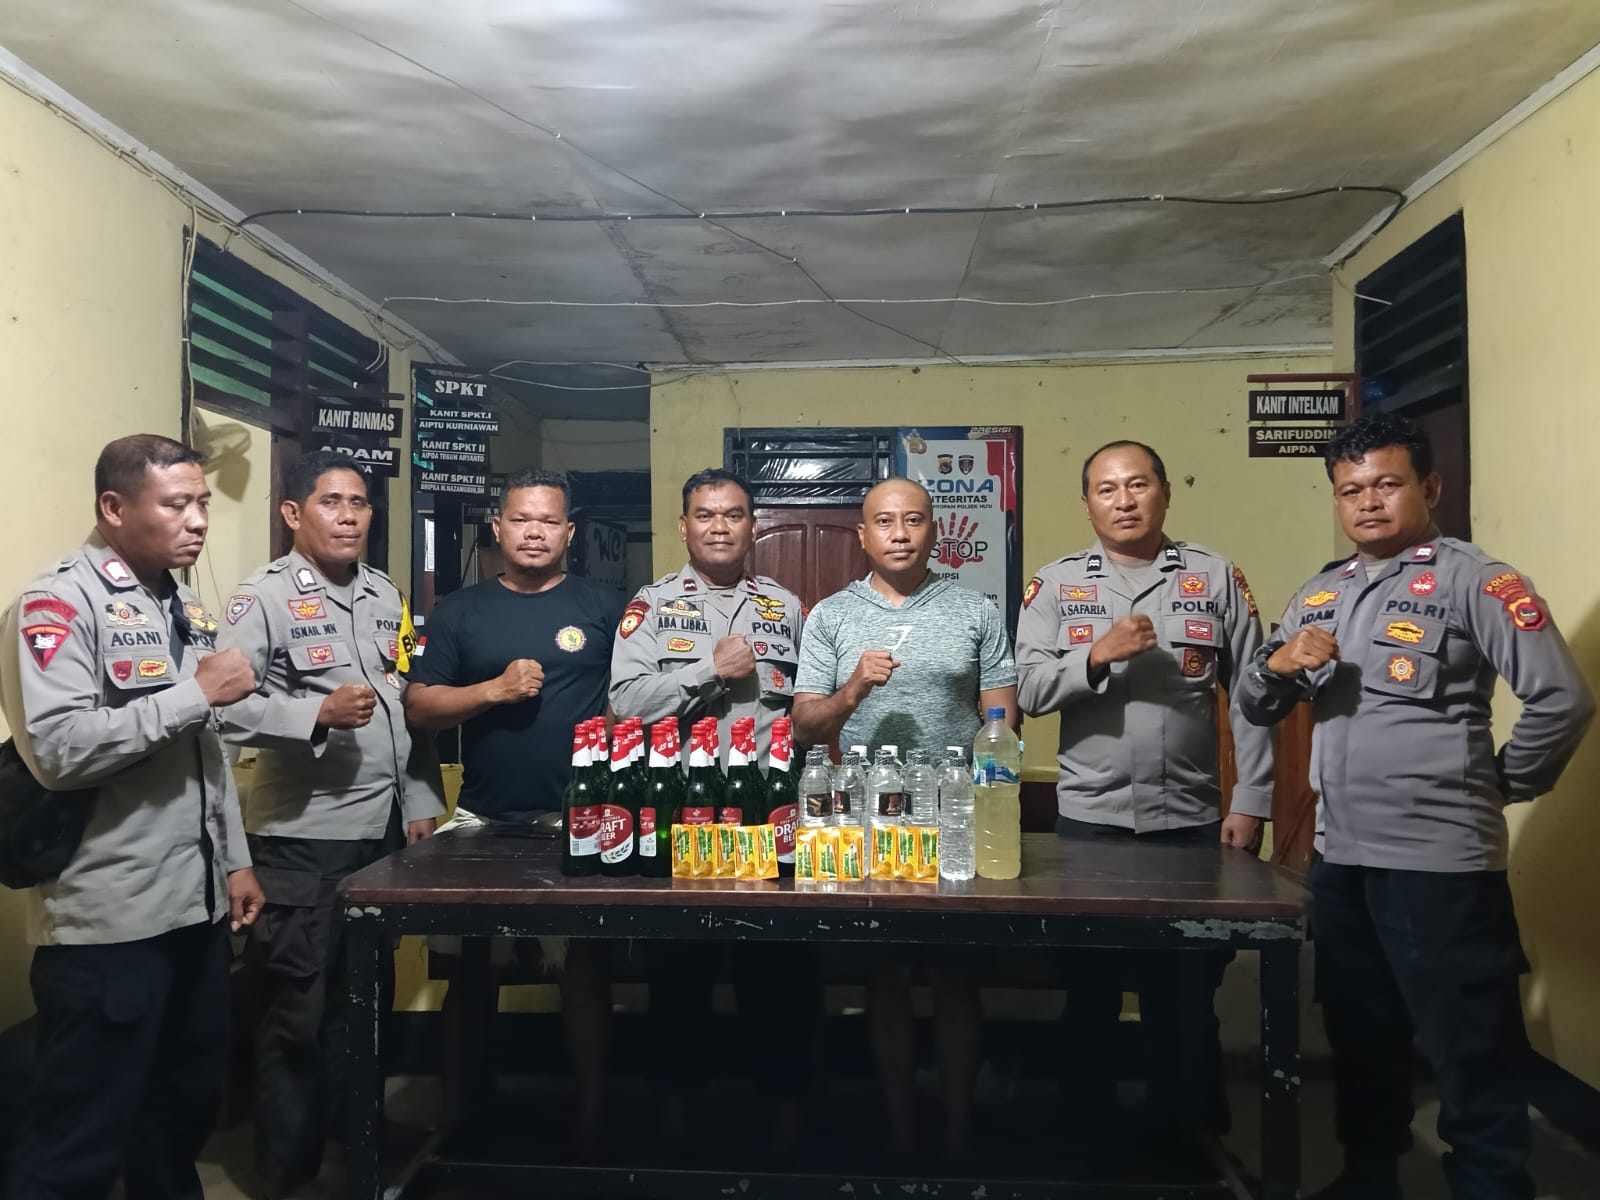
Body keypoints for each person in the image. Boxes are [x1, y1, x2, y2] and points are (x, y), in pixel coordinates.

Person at [1236, 414, 1594, 1200]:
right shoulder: (1322, 591)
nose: (1367, 502)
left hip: (1440, 864)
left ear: (1429, 488)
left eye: (1386, 484)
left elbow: (1562, 700)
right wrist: (1277, 664)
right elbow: (1256, 703)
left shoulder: (1477, 581)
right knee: (1361, 1039)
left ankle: (1490, 1187)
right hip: (1341, 860)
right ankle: (1368, 1180)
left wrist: (1501, 784)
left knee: (1471, 1050)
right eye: (1350, 490)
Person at [0, 434, 264, 1200]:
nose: (198, 520)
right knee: (77, 1141)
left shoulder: (179, 606)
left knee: (176, 1122)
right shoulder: (56, 605)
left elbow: (206, 753)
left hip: (194, 910)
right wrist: (195, 693)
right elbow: (57, 750)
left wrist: (236, 860)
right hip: (109, 925)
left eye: (202, 503)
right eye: (176, 504)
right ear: (114, 508)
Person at [1014, 439, 1274, 1134]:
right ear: (1087, 504)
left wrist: (1252, 801)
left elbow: (1253, 696)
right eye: (1107, 489)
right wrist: (1094, 656)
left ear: (1164, 492)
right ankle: (1086, 1136)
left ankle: (1188, 1142)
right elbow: (1028, 691)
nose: (1124, 501)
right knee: (1090, 990)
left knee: (1185, 992)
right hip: (1090, 828)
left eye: (1138, 485)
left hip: (1191, 825)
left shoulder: (1215, 577)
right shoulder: (1055, 585)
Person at [215, 450, 445, 1196]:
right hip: (302, 840)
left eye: (359, 503)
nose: (349, 517)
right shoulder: (263, 598)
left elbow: (403, 704)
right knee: (299, 1009)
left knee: (364, 998)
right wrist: (312, 711)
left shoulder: (384, 594)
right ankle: (288, 1168)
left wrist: (419, 800)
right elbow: (219, 709)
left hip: (380, 834)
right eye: (331, 502)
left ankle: (360, 1136)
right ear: (293, 512)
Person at [793, 476, 1018, 1160]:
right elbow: (804, 725)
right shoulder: (831, 616)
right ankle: (899, 1129)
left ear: (933, 531)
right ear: (863, 535)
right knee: (885, 980)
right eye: (885, 522)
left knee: (955, 980)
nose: (900, 533)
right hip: (867, 827)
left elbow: (1003, 724)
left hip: (956, 825)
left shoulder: (975, 610)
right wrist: (854, 687)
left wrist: (990, 807)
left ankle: (956, 1132)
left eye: (913, 520)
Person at [404, 468, 621, 1152]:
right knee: (470, 971)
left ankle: (592, 1119)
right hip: (482, 817)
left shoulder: (604, 606)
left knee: (584, 970)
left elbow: (634, 697)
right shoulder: (460, 611)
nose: (534, 532)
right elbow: (419, 707)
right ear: (497, 527)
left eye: (548, 521)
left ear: (569, 533)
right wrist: (492, 691)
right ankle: (458, 1117)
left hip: (577, 818)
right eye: (521, 519)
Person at [608, 467, 813, 1146]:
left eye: (733, 514)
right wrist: (706, 672)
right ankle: (673, 1112)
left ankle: (787, 1114)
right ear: (683, 526)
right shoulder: (651, 606)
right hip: (684, 813)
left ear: (753, 527)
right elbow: (624, 706)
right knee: (678, 970)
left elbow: (807, 709)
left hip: (767, 816)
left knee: (780, 972)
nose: (719, 527)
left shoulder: (786, 607)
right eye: (705, 514)